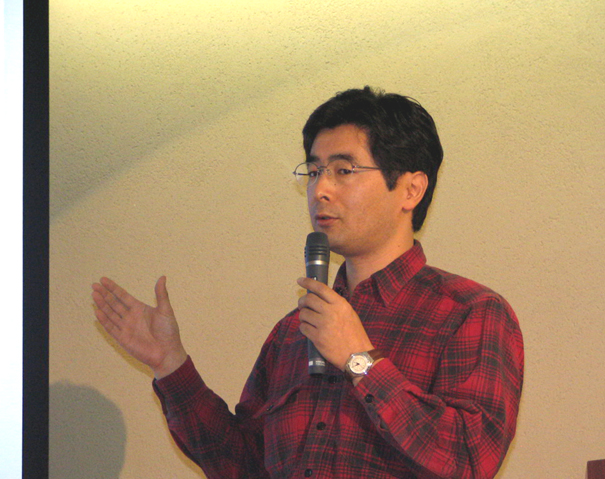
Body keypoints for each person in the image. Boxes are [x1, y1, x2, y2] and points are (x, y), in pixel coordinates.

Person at [92, 86, 524, 479]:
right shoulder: (292, 333)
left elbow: (471, 457)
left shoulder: (469, 312)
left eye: (344, 170)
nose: (320, 191)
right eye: (314, 172)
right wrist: (170, 364)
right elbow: (244, 466)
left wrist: (360, 360)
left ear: (411, 190)